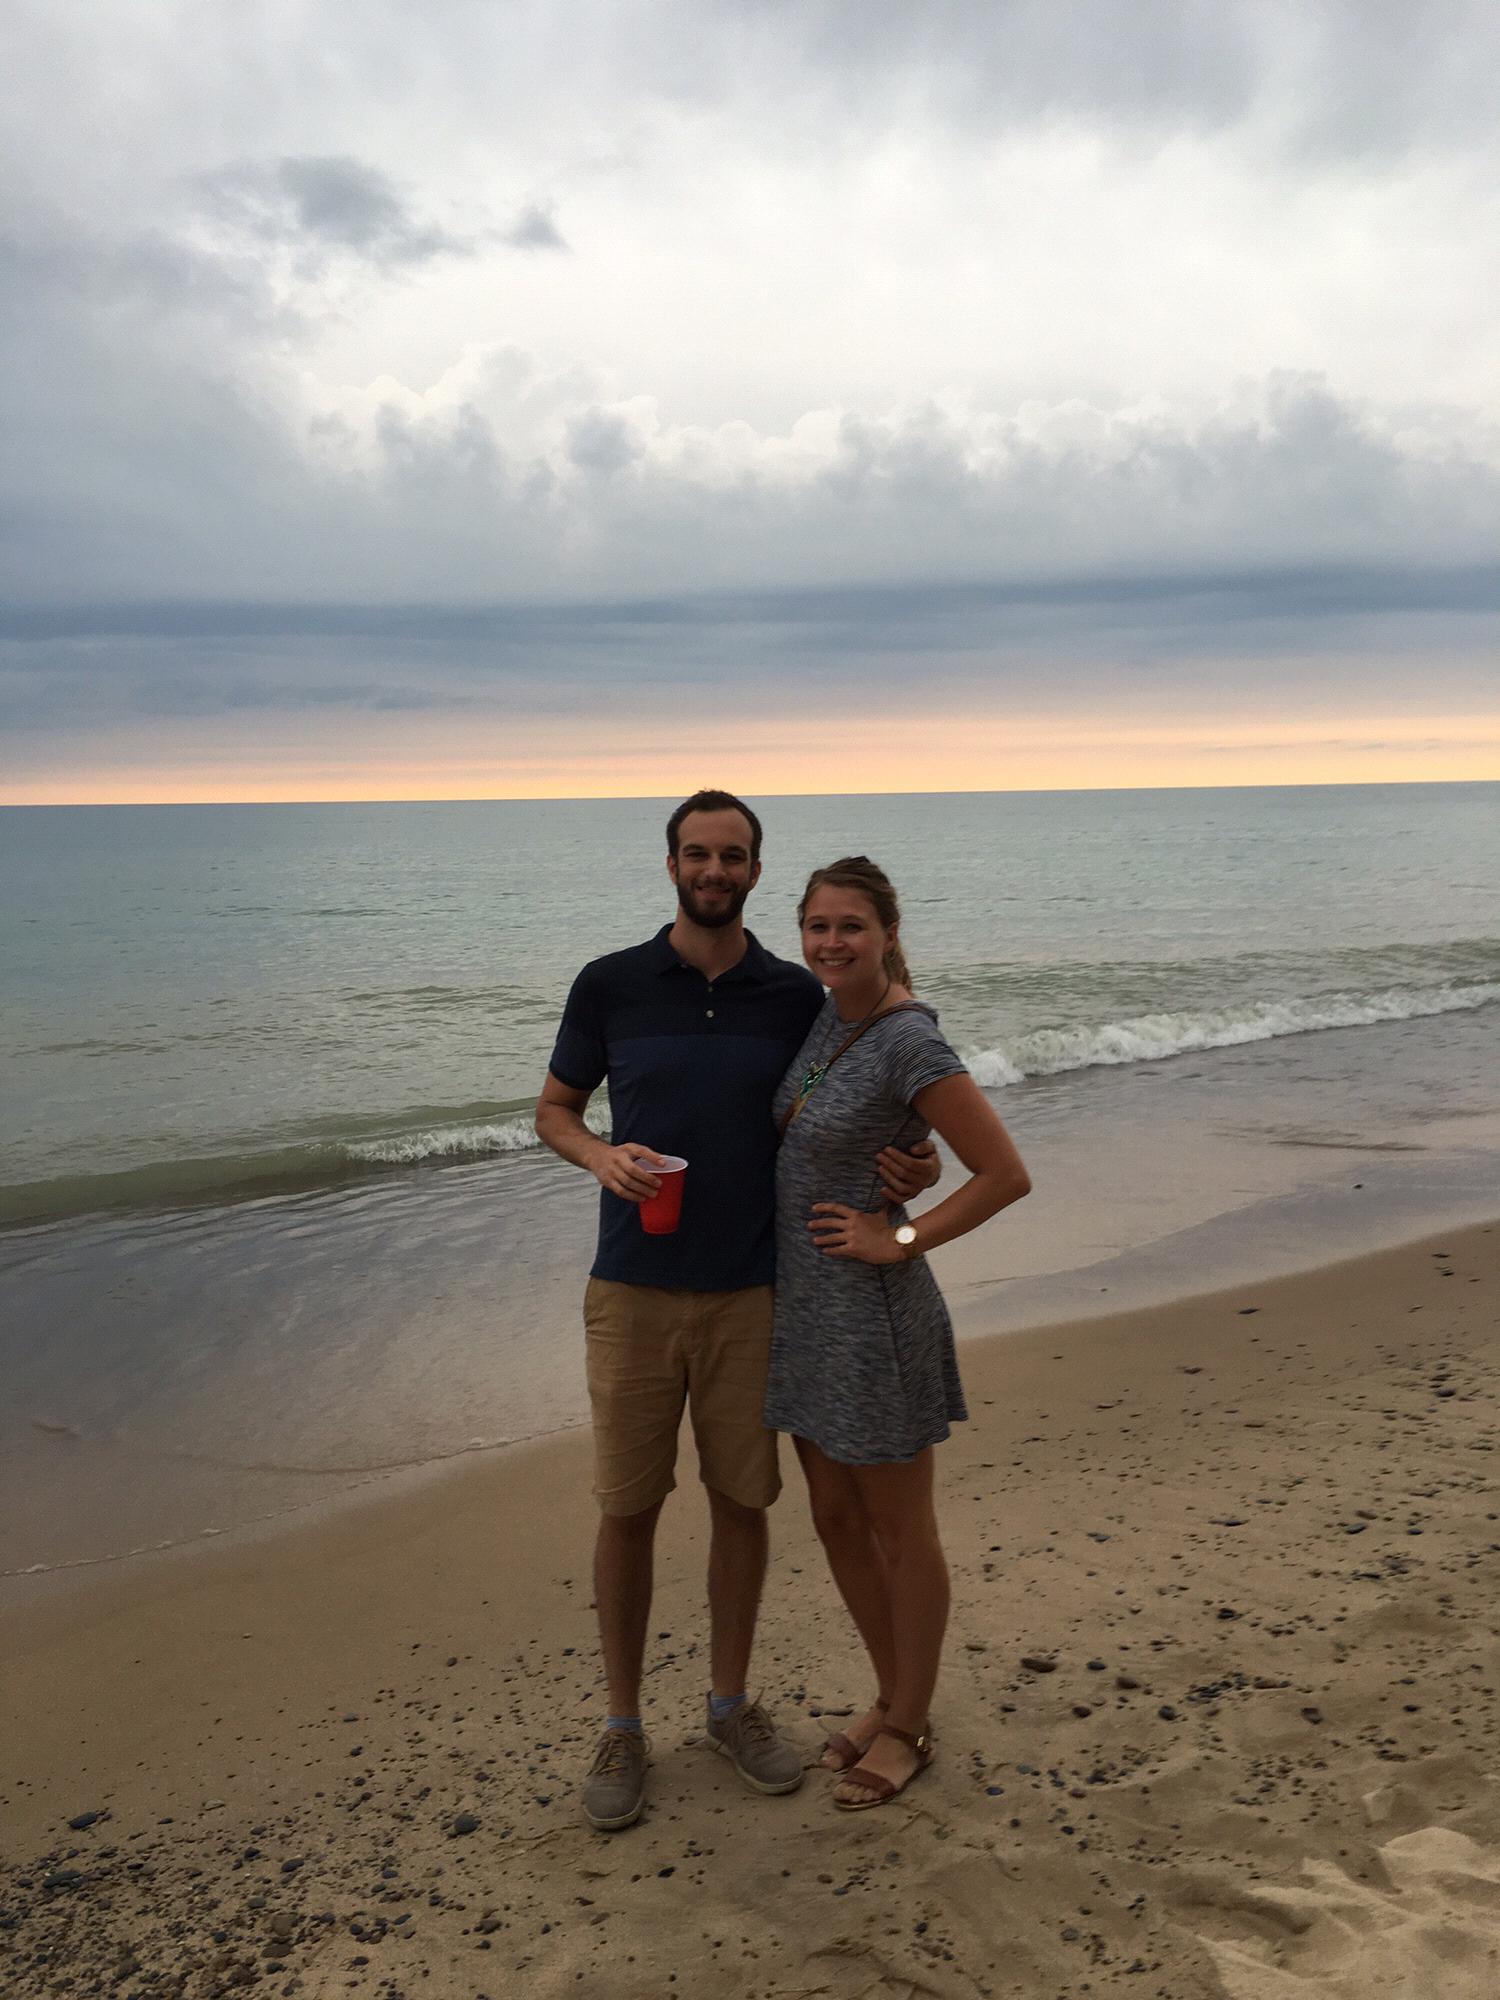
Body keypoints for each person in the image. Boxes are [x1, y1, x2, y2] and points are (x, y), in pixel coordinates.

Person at [534, 792, 941, 1831]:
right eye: (698, 852)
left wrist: (916, 1161)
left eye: (735, 854)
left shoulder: (791, 990)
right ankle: (622, 1721)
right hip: (630, 1287)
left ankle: (727, 1703)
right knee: (627, 1506)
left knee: (741, 1501)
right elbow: (554, 1109)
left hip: (758, 1290)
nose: (715, 868)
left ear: (757, 869)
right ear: (670, 861)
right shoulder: (610, 982)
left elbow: (864, 1084)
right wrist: (597, 1153)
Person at [765, 855, 1031, 1810]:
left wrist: (900, 1237)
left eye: (851, 927)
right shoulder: (825, 1016)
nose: (831, 943)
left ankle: (911, 1725)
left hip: (874, 1319)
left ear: (886, 933)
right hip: (803, 1316)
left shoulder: (910, 1040)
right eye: (817, 926)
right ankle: (888, 1696)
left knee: (899, 1528)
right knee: (834, 1519)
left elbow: (1003, 1173)